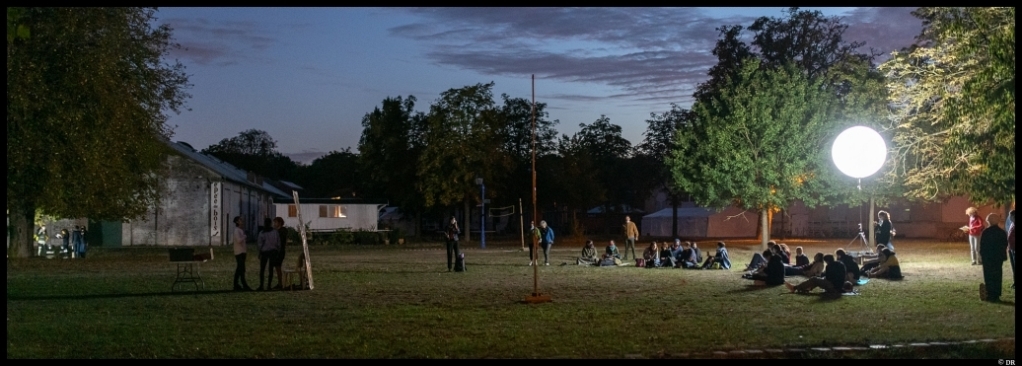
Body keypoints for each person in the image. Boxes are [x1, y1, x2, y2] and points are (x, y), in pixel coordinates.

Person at [979, 213, 1008, 302]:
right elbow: (1005, 244)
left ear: (989, 221)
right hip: (998, 257)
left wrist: (981, 255)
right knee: (997, 275)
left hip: (988, 257)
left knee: (988, 275)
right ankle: (996, 294)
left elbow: (982, 245)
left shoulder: (986, 232)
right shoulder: (1002, 232)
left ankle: (990, 293)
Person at [256, 218, 280, 291]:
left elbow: (260, 244)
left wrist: (260, 252)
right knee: (270, 269)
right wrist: (277, 250)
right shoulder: (275, 232)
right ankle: (269, 285)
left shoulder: (262, 233)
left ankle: (261, 285)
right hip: (273, 252)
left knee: (262, 270)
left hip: (264, 252)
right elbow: (278, 242)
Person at [232, 216, 253, 291]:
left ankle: (236, 284)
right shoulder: (236, 230)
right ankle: (244, 285)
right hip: (239, 252)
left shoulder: (240, 230)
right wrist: (244, 236)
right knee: (241, 269)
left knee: (240, 269)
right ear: (237, 222)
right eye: (240, 220)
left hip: (243, 251)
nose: (242, 221)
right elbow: (238, 240)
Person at [271, 217, 287, 289]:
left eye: (275, 222)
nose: (274, 224)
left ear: (279, 223)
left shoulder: (281, 231)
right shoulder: (277, 231)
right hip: (277, 252)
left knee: (278, 267)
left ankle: (280, 284)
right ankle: (280, 283)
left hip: (279, 252)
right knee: (277, 268)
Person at [1007, 210, 1015, 289]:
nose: (1009, 218)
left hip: (1014, 248)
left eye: (1010, 216)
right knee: (1013, 266)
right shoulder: (1012, 224)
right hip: (1011, 248)